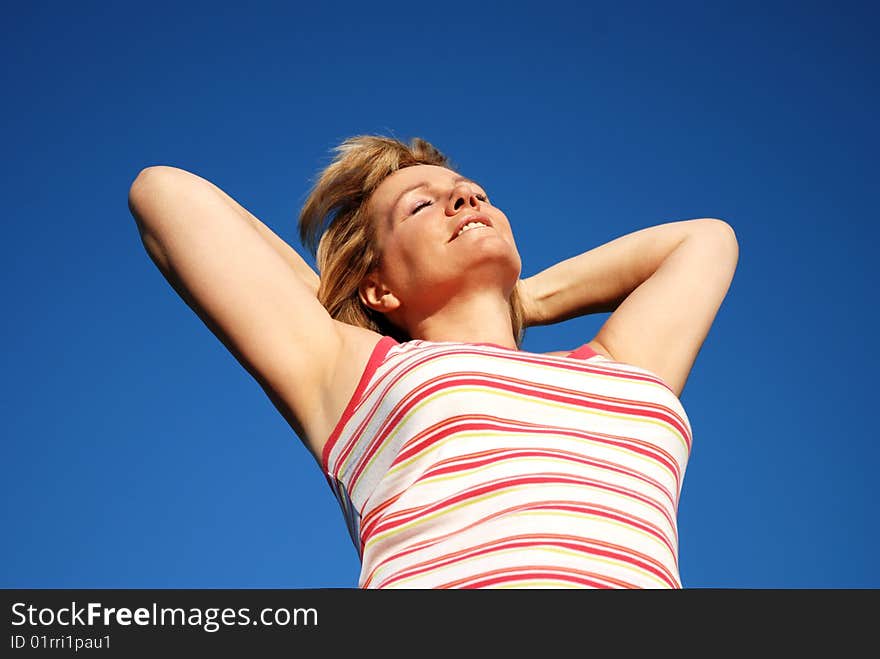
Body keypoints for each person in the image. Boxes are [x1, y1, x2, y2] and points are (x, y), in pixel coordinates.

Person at [128, 135, 738, 588]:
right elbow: (165, 193)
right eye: (421, 207)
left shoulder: (619, 365)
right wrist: (332, 306)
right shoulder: (352, 369)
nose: (467, 198)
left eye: (474, 195)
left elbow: (706, 240)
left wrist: (522, 298)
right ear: (379, 289)